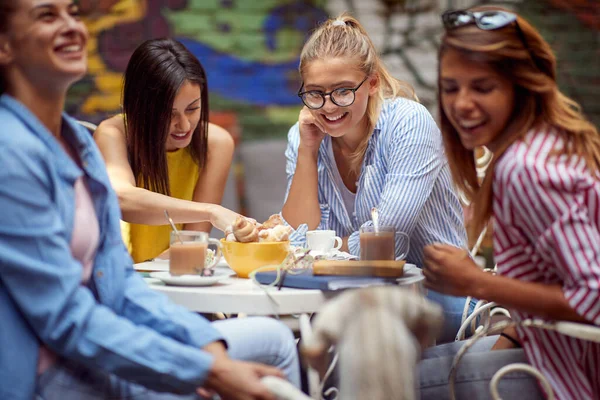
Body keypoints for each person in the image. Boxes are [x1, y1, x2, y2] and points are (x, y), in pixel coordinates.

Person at [0, 1, 299, 399]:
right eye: (47, 15)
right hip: (50, 372)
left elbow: (118, 280)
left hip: (105, 341)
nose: (72, 26)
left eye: (73, 12)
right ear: (4, 46)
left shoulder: (76, 143)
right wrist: (203, 368)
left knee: (274, 339)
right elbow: (67, 321)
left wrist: (204, 344)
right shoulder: (10, 153)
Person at [421, 6, 600, 399]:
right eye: (451, 88)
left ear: (522, 87)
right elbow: (551, 276)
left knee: (377, 382)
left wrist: (475, 282)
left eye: (482, 87)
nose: (461, 103)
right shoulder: (542, 146)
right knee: (411, 364)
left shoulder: (526, 168)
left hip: (568, 377)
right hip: (540, 349)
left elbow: (593, 294)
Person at [281, 13, 472, 343]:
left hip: (437, 291)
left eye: (342, 91)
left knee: (338, 339)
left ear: (371, 83)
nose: (328, 107)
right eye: (315, 93)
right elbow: (296, 233)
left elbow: (387, 240)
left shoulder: (408, 123)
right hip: (346, 295)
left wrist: (323, 251)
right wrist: (307, 152)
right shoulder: (303, 137)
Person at [95, 38, 238, 263]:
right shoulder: (113, 133)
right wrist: (211, 211)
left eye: (192, 109)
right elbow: (122, 198)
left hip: (170, 274)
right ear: (140, 107)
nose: (184, 125)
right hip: (120, 274)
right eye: (169, 114)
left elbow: (192, 243)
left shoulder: (216, 143)